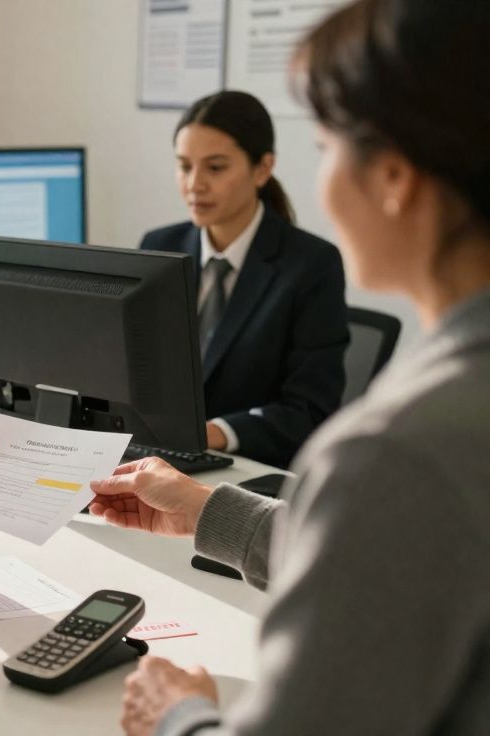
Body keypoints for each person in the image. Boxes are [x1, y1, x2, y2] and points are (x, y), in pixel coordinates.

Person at [91, 2, 490, 733]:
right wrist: (208, 509)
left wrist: (177, 715)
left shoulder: (396, 451)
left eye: (328, 145)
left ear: (394, 176)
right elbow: (393, 563)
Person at [140, 90, 349, 469]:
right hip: (158, 459)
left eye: (215, 168)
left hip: (246, 471)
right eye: (184, 166)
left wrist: (216, 432)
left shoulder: (311, 265)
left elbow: (310, 412)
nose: (195, 184)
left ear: (262, 168)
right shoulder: (159, 246)